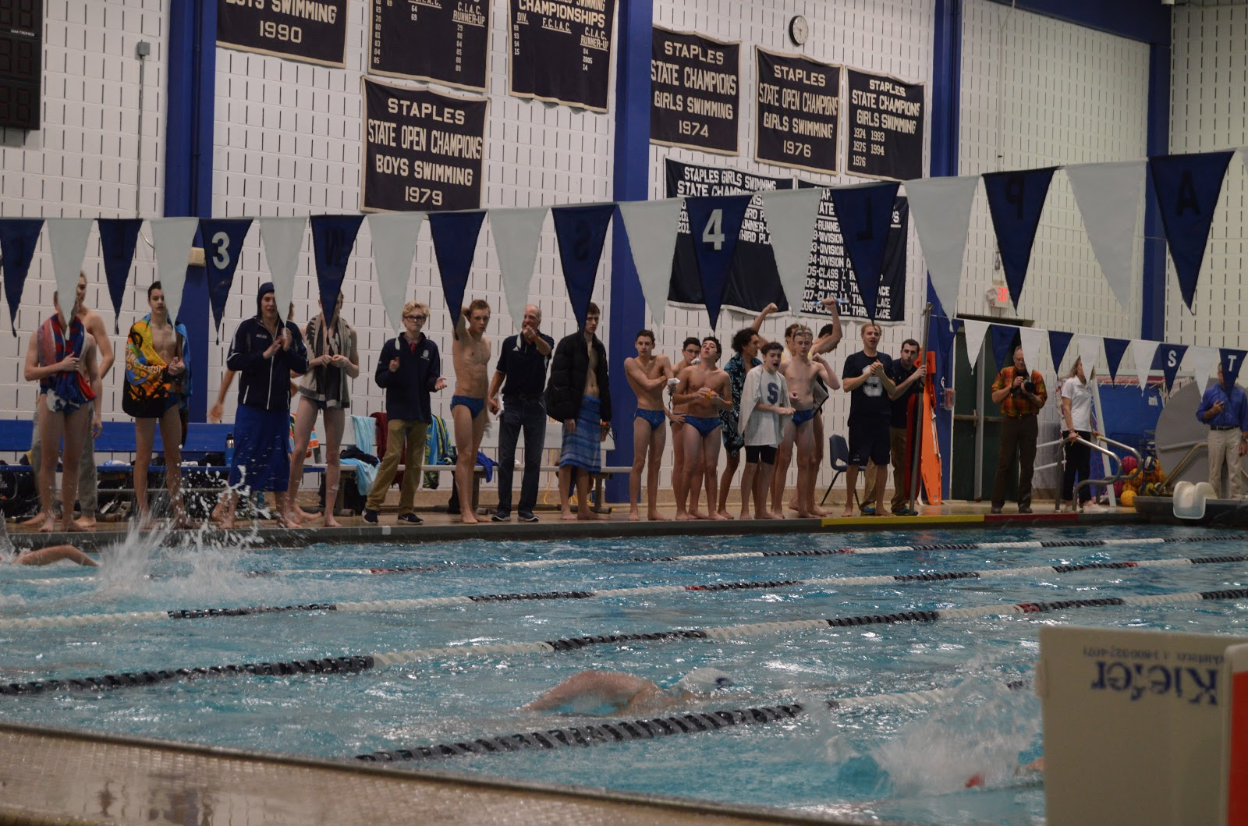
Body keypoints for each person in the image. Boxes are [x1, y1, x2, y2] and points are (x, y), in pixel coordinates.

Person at [216, 282, 308, 529]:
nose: (270, 303)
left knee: (279, 461)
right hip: (251, 408)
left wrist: (287, 351)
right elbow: (233, 361)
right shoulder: (247, 328)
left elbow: (303, 365)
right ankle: (231, 515)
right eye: (266, 298)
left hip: (278, 409)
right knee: (242, 459)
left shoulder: (290, 332)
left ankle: (282, 516)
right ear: (260, 301)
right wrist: (264, 355)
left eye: (275, 299)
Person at [25, 273, 112, 531]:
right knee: (47, 456)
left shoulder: (88, 335)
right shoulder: (41, 335)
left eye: (75, 300)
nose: (72, 305)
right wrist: (59, 366)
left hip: (77, 397)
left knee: (75, 459)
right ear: (56, 303)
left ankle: (70, 518)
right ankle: (49, 514)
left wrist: (97, 412)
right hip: (50, 396)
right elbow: (29, 372)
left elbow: (96, 375)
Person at [362, 301, 446, 525]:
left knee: (415, 464)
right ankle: (372, 505)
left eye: (419, 318)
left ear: (424, 321)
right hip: (398, 410)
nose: (415, 321)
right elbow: (380, 380)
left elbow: (431, 378)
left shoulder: (431, 348)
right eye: (411, 317)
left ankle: (406, 509)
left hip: (420, 412)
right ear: (404, 320)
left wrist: (434, 384)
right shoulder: (392, 346)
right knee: (391, 457)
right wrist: (390, 371)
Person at [283, 293, 359, 528]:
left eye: (337, 302)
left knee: (333, 454)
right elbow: (294, 370)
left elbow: (356, 371)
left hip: (336, 394)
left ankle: (328, 514)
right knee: (298, 450)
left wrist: (346, 363)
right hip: (311, 390)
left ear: (341, 304)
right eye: (328, 301)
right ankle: (288, 507)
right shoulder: (306, 329)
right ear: (319, 303)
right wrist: (315, 362)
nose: (332, 306)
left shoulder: (350, 332)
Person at [123, 282, 191, 527]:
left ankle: (180, 514)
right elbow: (133, 366)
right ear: (149, 301)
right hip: (145, 396)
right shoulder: (139, 330)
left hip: (169, 395)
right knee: (143, 456)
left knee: (174, 456)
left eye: (164, 297)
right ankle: (144, 514)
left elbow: (183, 361)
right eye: (155, 298)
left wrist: (180, 367)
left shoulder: (178, 330)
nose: (160, 302)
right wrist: (163, 369)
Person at [545, 302, 611, 521]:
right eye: (589, 318)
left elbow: (604, 381)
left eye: (596, 319)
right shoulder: (568, 344)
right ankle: (565, 507)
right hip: (576, 406)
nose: (593, 323)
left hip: (593, 406)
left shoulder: (599, 347)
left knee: (587, 462)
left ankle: (583, 508)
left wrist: (606, 416)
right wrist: (567, 413)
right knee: (569, 458)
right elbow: (559, 380)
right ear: (581, 319)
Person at [487, 304, 553, 524]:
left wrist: (534, 339)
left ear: (538, 321)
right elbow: (500, 372)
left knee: (533, 459)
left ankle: (526, 509)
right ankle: (503, 508)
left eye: (532, 317)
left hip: (536, 405)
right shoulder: (509, 344)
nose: (527, 320)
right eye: (524, 316)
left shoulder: (546, 342)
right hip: (512, 403)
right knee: (506, 458)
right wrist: (491, 395)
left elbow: (546, 351)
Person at [714, 304, 779, 520]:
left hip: (756, 420)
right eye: (754, 343)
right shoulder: (731, 367)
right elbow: (727, 399)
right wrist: (765, 311)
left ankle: (757, 509)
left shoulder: (761, 364)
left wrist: (766, 313)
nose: (758, 345)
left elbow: (754, 334)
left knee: (755, 465)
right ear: (744, 346)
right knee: (732, 464)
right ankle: (721, 507)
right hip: (733, 419)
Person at [772, 326, 837, 519]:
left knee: (805, 462)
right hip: (789, 416)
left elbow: (835, 384)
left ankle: (802, 508)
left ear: (811, 344)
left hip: (808, 416)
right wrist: (785, 397)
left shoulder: (816, 367)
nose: (803, 346)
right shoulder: (784, 366)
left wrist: (824, 361)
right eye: (799, 343)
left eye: (806, 343)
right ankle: (776, 508)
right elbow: (772, 391)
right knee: (783, 460)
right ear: (792, 344)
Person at [840, 322, 897, 517]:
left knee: (882, 463)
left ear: (879, 337)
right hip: (860, 420)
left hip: (881, 419)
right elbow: (846, 386)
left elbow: (893, 390)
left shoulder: (887, 360)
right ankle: (849, 505)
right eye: (869, 333)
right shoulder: (854, 360)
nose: (873, 336)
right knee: (854, 463)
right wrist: (867, 374)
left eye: (876, 333)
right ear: (862, 336)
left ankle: (880, 505)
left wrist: (881, 374)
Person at [672, 337, 732, 521]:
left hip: (713, 422)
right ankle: (681, 510)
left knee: (711, 467)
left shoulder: (723, 376)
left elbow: (729, 405)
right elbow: (676, 399)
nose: (706, 348)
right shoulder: (688, 372)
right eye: (704, 345)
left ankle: (713, 511)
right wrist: (693, 395)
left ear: (718, 354)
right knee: (689, 466)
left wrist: (718, 401)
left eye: (711, 346)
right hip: (692, 421)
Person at [624, 329, 676, 521]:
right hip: (643, 414)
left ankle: (652, 510)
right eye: (641, 343)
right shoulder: (630, 362)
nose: (644, 347)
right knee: (639, 463)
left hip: (659, 416)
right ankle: (633, 509)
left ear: (653, 345)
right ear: (635, 345)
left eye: (647, 344)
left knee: (655, 464)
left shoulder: (662, 359)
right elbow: (647, 385)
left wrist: (671, 380)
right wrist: (667, 377)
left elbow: (672, 382)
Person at [525, 668, 733, 716]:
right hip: (589, 684)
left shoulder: (670, 698)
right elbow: (588, 678)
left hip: (593, 685)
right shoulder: (650, 695)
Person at [989, 346, 1048, 514]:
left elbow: (1041, 402)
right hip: (1010, 421)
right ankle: (997, 503)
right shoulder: (1004, 373)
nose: (1021, 363)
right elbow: (994, 397)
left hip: (1029, 421)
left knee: (1027, 465)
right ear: (1014, 359)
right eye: (1018, 359)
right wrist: (1011, 387)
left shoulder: (1036, 376)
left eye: (1024, 360)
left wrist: (1028, 393)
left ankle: (1024, 503)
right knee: (1004, 462)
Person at [738, 342, 793, 519]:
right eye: (772, 355)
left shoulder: (780, 378)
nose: (776, 359)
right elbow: (751, 404)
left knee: (768, 468)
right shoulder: (755, 374)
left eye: (778, 355)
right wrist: (777, 409)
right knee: (751, 466)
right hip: (755, 427)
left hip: (771, 429)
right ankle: (745, 509)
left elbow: (784, 402)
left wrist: (788, 407)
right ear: (764, 357)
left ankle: (761, 510)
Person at [450, 299, 492, 524]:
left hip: (479, 403)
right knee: (464, 454)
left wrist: (486, 406)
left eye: (485, 318)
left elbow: (483, 377)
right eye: (477, 318)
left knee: (474, 456)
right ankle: (464, 509)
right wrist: (465, 313)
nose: (482, 322)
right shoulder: (461, 336)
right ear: (469, 318)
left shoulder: (487, 343)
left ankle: (472, 509)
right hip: (463, 400)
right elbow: (453, 307)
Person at [886, 338, 926, 515]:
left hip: (904, 425)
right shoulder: (892, 367)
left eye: (912, 353)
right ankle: (870, 505)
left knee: (902, 466)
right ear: (901, 351)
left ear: (917, 355)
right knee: (878, 463)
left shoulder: (918, 374)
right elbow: (893, 394)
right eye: (906, 351)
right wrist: (912, 378)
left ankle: (899, 504)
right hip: (886, 422)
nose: (908, 356)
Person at [1196, 362, 1248, 499]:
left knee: (1235, 469)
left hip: (1234, 433)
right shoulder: (1210, 393)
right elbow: (1200, 415)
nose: (1225, 377)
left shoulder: (1241, 395)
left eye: (1228, 374)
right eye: (1222, 373)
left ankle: (1236, 499)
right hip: (1216, 433)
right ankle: (1213, 500)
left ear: (1235, 376)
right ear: (1218, 374)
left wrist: (1244, 440)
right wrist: (1212, 411)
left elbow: (1245, 418)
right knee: (1214, 470)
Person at [1058, 357, 1102, 512]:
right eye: (1082, 365)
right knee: (1071, 466)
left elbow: (1087, 409)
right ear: (1076, 367)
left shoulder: (1089, 386)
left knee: (1085, 466)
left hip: (1084, 429)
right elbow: (1066, 408)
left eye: (1087, 365)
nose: (1084, 368)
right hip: (1072, 430)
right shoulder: (1070, 383)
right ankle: (1069, 502)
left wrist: (1092, 428)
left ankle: (1086, 501)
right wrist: (1071, 431)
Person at [669, 337, 703, 516]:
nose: (693, 355)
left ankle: (694, 507)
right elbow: (659, 395)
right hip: (681, 417)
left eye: (696, 351)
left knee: (699, 464)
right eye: (690, 351)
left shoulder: (700, 370)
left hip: (697, 419)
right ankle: (679, 506)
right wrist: (670, 415)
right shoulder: (676, 370)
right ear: (683, 351)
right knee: (681, 463)